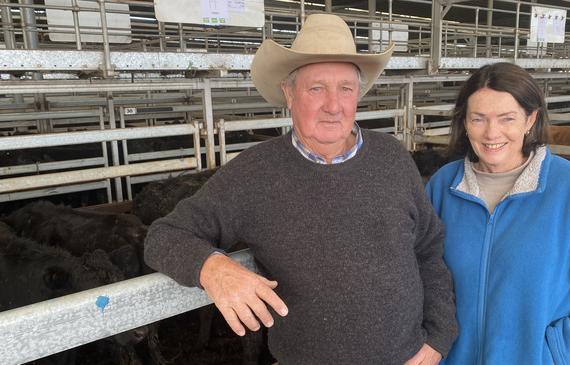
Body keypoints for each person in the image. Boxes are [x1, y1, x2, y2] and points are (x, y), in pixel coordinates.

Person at [144, 13, 458, 365]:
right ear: (289, 94)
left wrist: (438, 338)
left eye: (345, 89)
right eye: (316, 88)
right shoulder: (254, 173)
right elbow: (164, 235)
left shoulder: (393, 158)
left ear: (358, 95)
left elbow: (429, 250)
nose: (333, 106)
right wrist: (211, 267)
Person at [425, 62, 570, 365]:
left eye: (507, 118)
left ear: (530, 120)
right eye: (478, 119)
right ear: (465, 123)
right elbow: (419, 276)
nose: (491, 132)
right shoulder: (443, 186)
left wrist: (558, 353)